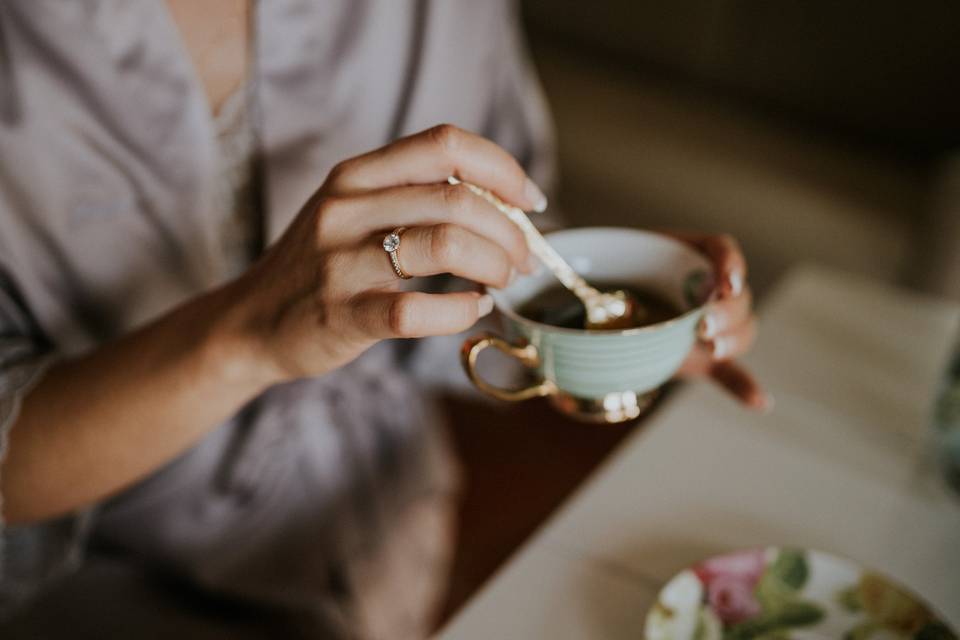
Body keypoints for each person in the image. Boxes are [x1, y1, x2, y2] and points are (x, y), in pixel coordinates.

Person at [0, 1, 764, 636]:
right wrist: (248, 337)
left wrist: (607, 322)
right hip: (111, 598)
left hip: (397, 542)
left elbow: (500, 237)